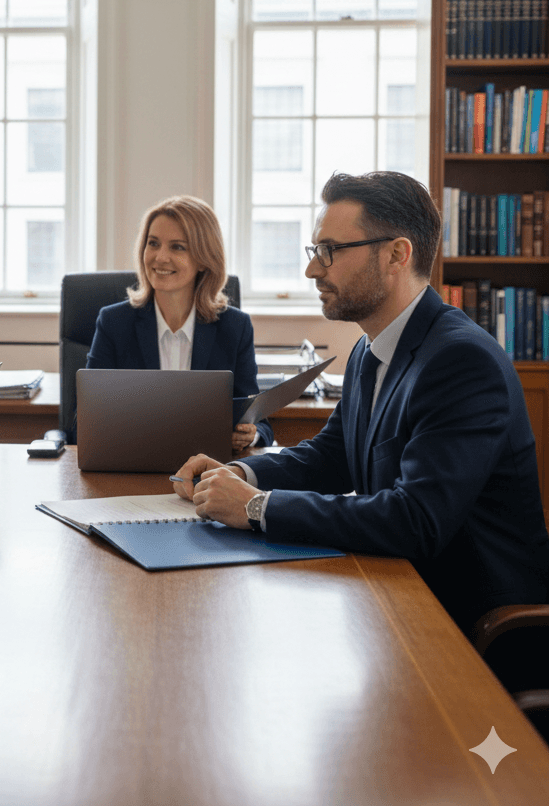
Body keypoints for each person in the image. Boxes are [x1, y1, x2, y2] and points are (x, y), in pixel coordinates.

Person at [173, 171, 549, 632]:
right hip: (395, 595)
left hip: (472, 625)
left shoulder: (461, 361)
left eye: (329, 251)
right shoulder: (367, 350)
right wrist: (238, 472)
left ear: (396, 254)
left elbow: (416, 520)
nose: (313, 270)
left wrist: (257, 506)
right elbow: (334, 455)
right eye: (315, 252)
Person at [86, 195, 273, 453]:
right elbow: (84, 420)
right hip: (132, 465)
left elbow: (258, 421)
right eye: (153, 244)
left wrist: (249, 435)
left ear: (204, 259)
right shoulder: (114, 323)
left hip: (206, 473)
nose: (160, 257)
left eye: (177, 247)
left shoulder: (235, 327)